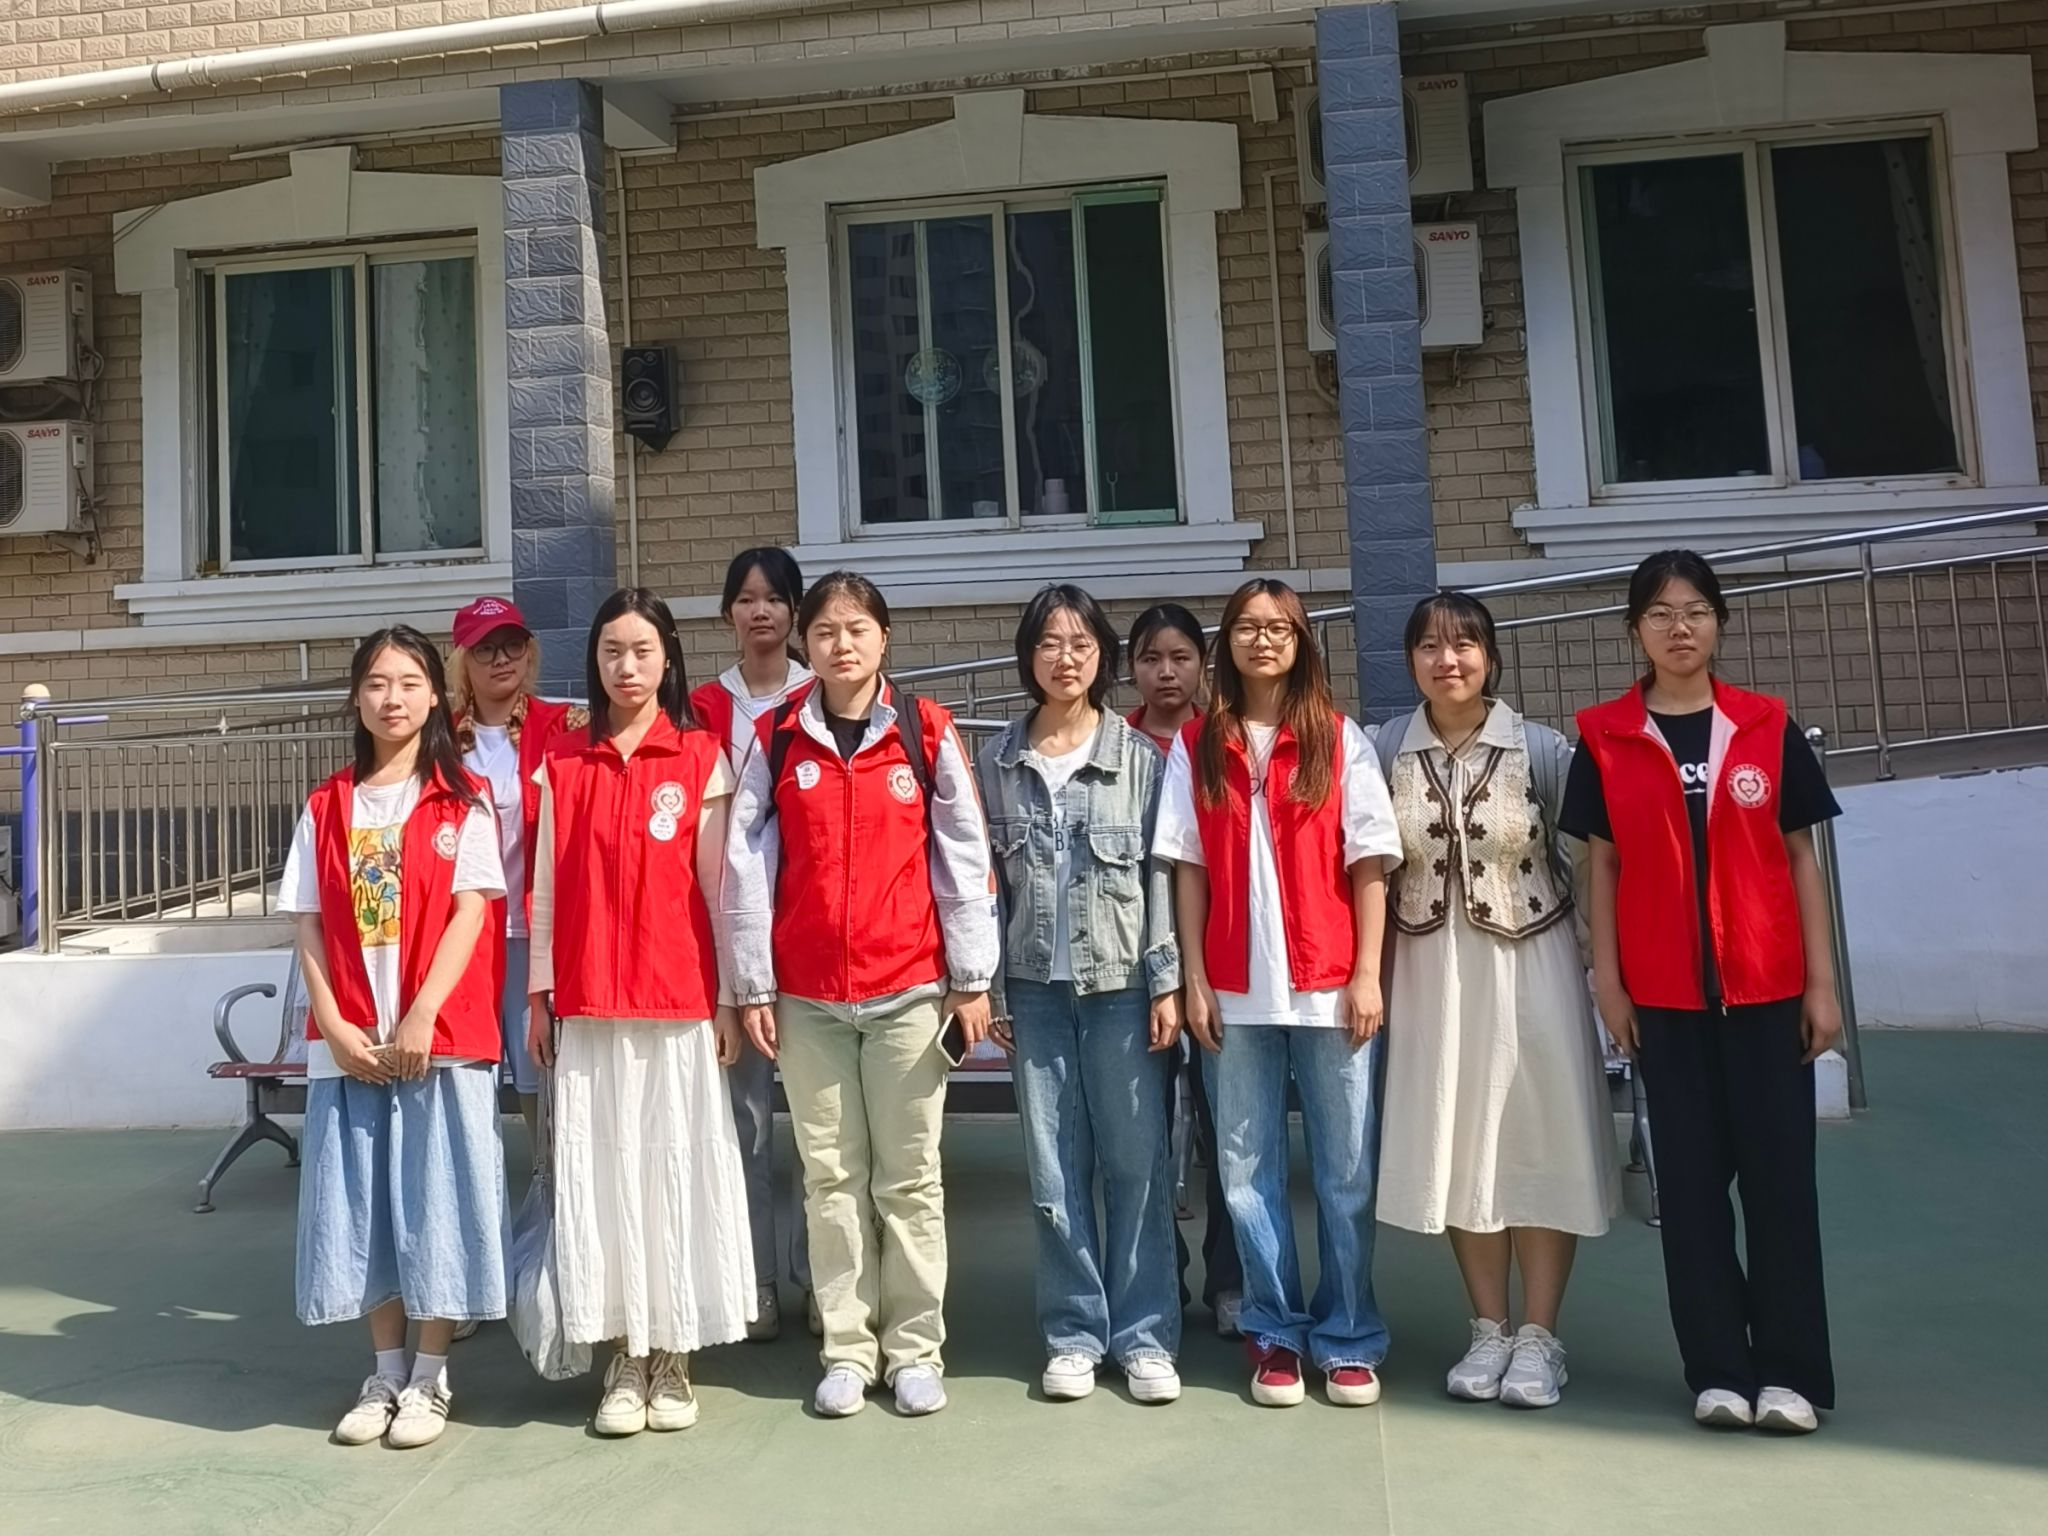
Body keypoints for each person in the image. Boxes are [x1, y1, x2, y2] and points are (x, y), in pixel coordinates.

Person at [1560, 549, 1843, 1435]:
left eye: (1695, 611)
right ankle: (1719, 1371)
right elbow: (1601, 867)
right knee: (1687, 1196)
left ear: (1719, 622)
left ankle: (1789, 1375)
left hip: (1767, 993)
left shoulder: (1766, 725)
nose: (1678, 628)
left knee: (1781, 1189)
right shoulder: (1605, 736)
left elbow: (1800, 857)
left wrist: (1822, 985)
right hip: (1665, 1005)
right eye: (1660, 613)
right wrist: (1608, 982)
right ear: (1635, 631)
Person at [723, 570, 999, 1421]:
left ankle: (914, 1349)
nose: (841, 644)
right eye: (825, 631)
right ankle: (847, 1348)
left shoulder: (924, 729)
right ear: (804, 644)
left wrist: (972, 980)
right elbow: (745, 867)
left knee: (909, 1179)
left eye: (857, 629)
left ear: (884, 638)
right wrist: (752, 984)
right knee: (830, 1178)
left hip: (909, 989)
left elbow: (963, 857)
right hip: (807, 999)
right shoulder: (776, 738)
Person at [1153, 577, 1403, 1410]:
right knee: (1244, 1176)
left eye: (1280, 628)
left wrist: (1367, 974)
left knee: (1346, 1175)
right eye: (1248, 627)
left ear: (1301, 643)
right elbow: (1188, 869)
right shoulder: (1198, 744)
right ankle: (1275, 1333)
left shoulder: (1339, 738)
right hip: (1234, 995)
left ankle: (1349, 1334)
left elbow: (1370, 864)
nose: (1263, 640)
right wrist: (1194, 978)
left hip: (1331, 990)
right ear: (1226, 642)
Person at [1373, 592, 1621, 1409]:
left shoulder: (1542, 750)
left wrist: (1603, 968)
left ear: (1491, 656)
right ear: (1410, 660)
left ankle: (1540, 1336)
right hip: (1430, 974)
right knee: (1460, 1140)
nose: (1448, 660)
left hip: (1533, 965)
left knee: (1536, 1140)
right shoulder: (1383, 751)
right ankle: (1488, 1327)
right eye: (1430, 646)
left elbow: (1591, 862)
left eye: (1465, 644)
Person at [526, 587, 755, 1438]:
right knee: (605, 1176)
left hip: (678, 1002)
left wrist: (728, 997)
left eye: (643, 650)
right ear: (594, 661)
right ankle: (625, 1352)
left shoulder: (700, 758)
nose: (627, 667)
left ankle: (675, 1353)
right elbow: (544, 893)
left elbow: (720, 891)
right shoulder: (564, 763)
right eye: (612, 651)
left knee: (673, 1170)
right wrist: (540, 996)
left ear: (668, 659)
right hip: (588, 1006)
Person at [279, 626, 508, 1450]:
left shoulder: (462, 799)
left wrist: (421, 1013)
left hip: (439, 1036)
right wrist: (335, 1025)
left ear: (435, 697)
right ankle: (384, 1370)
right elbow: (307, 924)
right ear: (356, 698)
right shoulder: (326, 805)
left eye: (410, 682)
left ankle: (431, 1374)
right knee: (364, 1205)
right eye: (377, 683)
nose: (393, 698)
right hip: (353, 1045)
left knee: (438, 1198)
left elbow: (471, 912)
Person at [977, 585, 1184, 1405]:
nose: (1066, 658)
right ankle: (1073, 1332)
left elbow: (1163, 877)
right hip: (1034, 991)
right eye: (1049, 643)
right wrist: (990, 987)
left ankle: (1144, 1337)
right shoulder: (998, 759)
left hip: (1123, 988)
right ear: (1028, 656)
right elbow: (985, 885)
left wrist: (1166, 983)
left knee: (1137, 1166)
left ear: (1103, 656)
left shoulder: (1142, 759)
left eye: (1081, 644)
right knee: (1054, 1172)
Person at [690, 547, 817, 1344]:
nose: (760, 611)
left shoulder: (824, 696)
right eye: (745, 598)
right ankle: (756, 1282)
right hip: (728, 941)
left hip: (808, 934)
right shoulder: (701, 707)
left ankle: (818, 1279)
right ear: (728, 613)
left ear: (795, 610)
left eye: (774, 598)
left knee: (818, 1126)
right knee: (745, 1124)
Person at [1128, 602, 1245, 1337]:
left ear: (1203, 666)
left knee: (1227, 1129)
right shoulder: (1116, 745)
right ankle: (1159, 1279)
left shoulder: (1223, 744)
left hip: (1220, 967)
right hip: (1133, 974)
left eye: (1180, 658)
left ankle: (1231, 1282)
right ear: (1130, 669)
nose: (1166, 673)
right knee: (1142, 1136)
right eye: (1150, 659)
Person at [446, 596, 586, 1142]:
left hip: (534, 929)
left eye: (512, 645)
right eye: (485, 649)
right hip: (464, 930)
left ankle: (548, 1174)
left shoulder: (565, 726)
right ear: (463, 661)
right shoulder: (438, 740)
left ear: (529, 653)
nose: (501, 659)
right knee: (467, 1063)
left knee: (539, 1064)